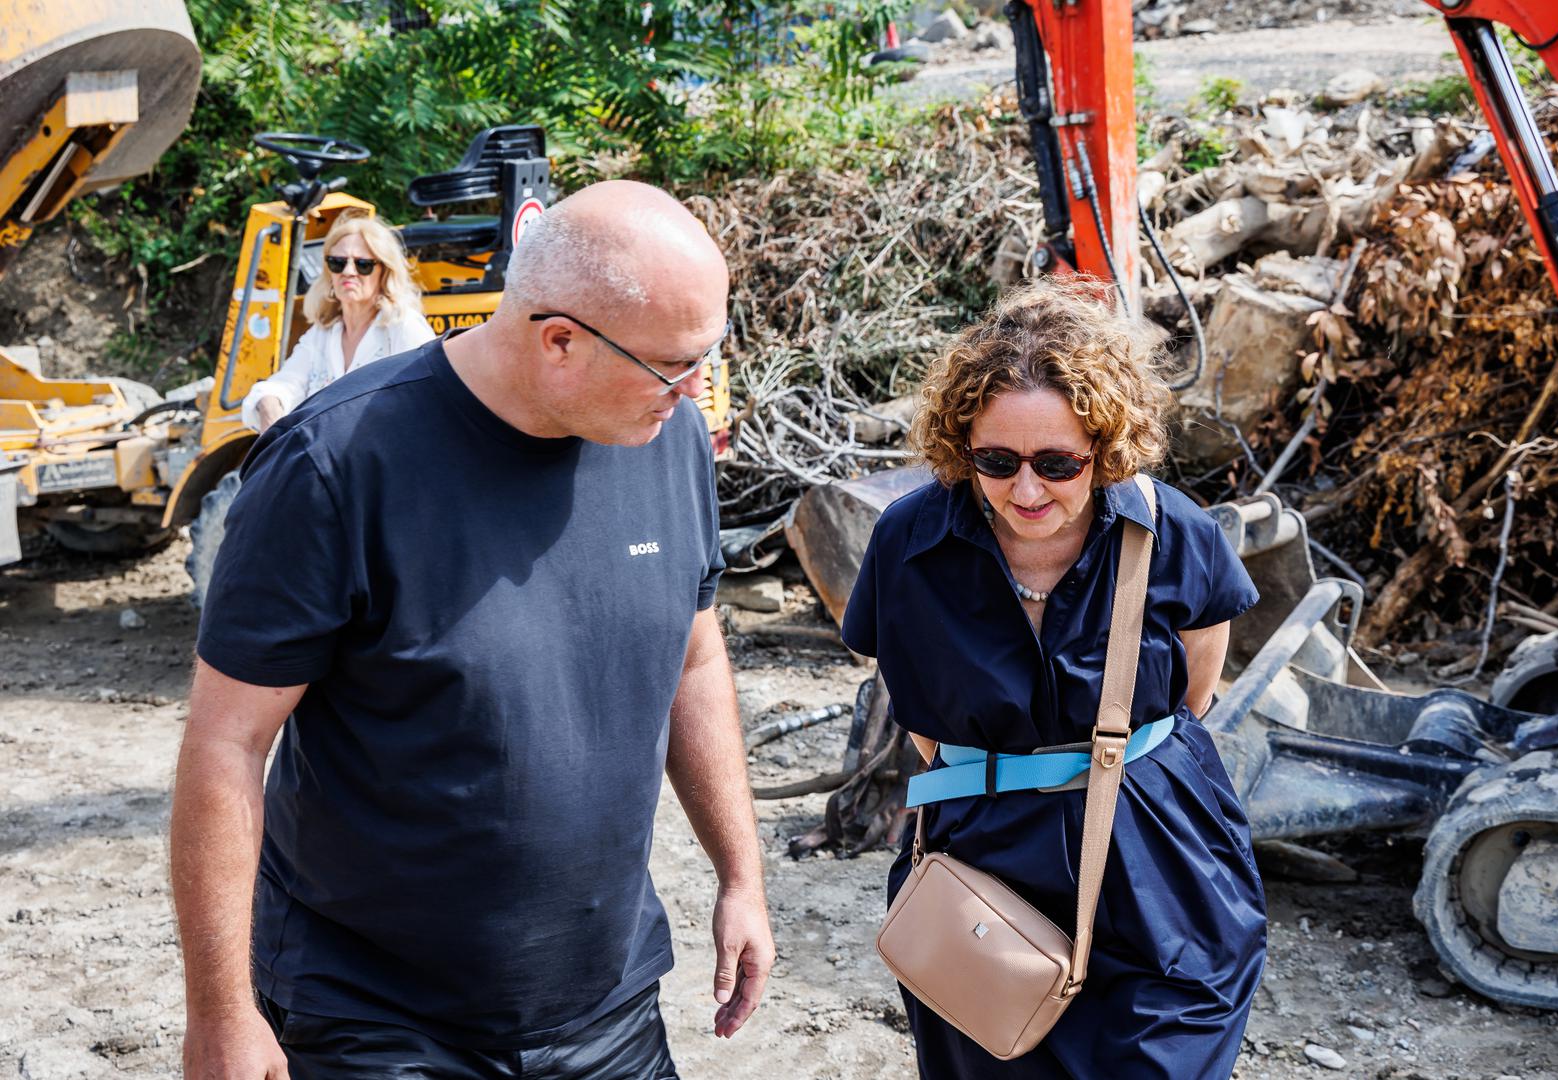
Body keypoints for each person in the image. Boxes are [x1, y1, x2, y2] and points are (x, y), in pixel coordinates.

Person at [170, 180, 774, 1079]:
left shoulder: (668, 439)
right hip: (373, 1017)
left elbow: (692, 655)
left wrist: (741, 875)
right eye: (674, 364)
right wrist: (219, 1014)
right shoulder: (334, 466)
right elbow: (226, 743)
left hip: (605, 1003)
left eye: (707, 354)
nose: (694, 389)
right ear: (560, 338)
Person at [841, 277, 1267, 1079]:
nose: (1026, 490)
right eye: (995, 461)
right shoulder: (908, 539)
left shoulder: (1169, 528)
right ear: (960, 444)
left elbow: (1194, 694)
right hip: (982, 857)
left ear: (1103, 447)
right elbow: (919, 716)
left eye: (1057, 463)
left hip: (1156, 851)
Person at [241, 210, 434, 433]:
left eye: (363, 264)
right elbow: (286, 384)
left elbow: (428, 403)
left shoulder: (403, 327)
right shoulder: (322, 333)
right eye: (338, 263)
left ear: (384, 272)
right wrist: (269, 404)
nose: (349, 272)